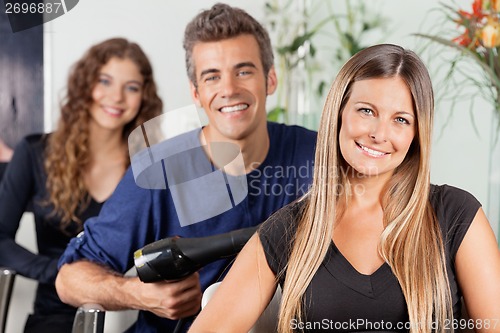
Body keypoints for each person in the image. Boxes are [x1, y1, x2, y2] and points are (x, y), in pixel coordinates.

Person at [189, 44, 500, 333]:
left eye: (401, 120)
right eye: (366, 111)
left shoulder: (456, 215)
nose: (380, 133)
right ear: (339, 113)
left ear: (417, 134)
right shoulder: (291, 229)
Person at [55, 3, 317, 333]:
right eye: (212, 76)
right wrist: (140, 294)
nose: (229, 89)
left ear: (271, 79)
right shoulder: (158, 171)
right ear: (196, 92)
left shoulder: (317, 155)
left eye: (244, 71)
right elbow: (69, 277)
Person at [0, 38, 162, 333]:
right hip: (55, 319)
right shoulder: (35, 153)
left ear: (144, 97)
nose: (117, 97)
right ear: (84, 84)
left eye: (132, 87)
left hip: (135, 316)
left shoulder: (152, 166)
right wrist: (60, 271)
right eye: (105, 81)